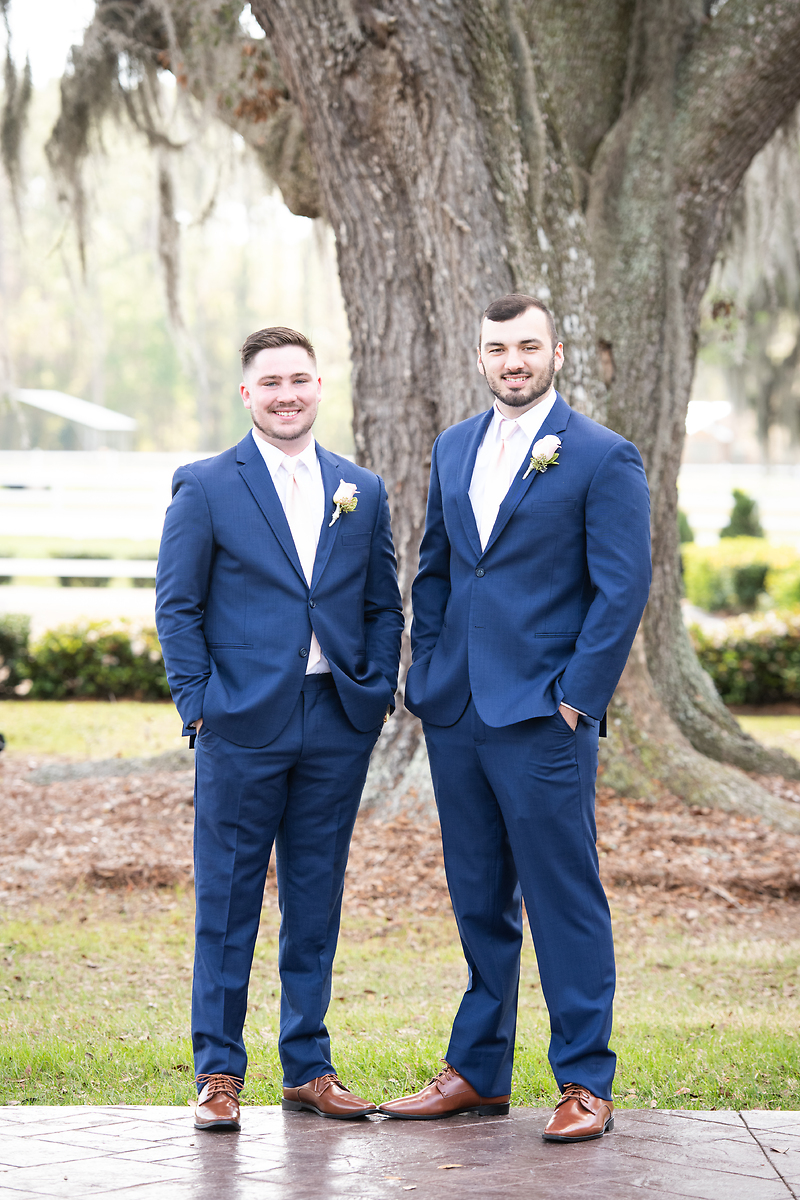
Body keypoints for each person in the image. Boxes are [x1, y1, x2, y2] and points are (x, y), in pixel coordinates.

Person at [380, 294, 651, 1142]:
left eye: (528, 346)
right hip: (458, 711)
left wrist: (575, 699)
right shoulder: (453, 446)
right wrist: (429, 673)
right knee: (478, 898)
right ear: (481, 357)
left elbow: (622, 589)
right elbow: (437, 568)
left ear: (556, 354)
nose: (513, 361)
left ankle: (585, 1081)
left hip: (543, 717)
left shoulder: (603, 456)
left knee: (563, 897)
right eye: (498, 349)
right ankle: (477, 1072)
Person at [156, 326, 403, 1130]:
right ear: (247, 394)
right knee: (228, 901)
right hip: (239, 722)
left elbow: (382, 604)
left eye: (299, 379)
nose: (287, 394)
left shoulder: (360, 488)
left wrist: (373, 691)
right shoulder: (205, 485)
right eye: (271, 383)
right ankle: (218, 1072)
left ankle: (308, 1067)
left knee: (315, 899)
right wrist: (198, 704)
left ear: (319, 386)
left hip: (336, 720)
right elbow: (177, 606)